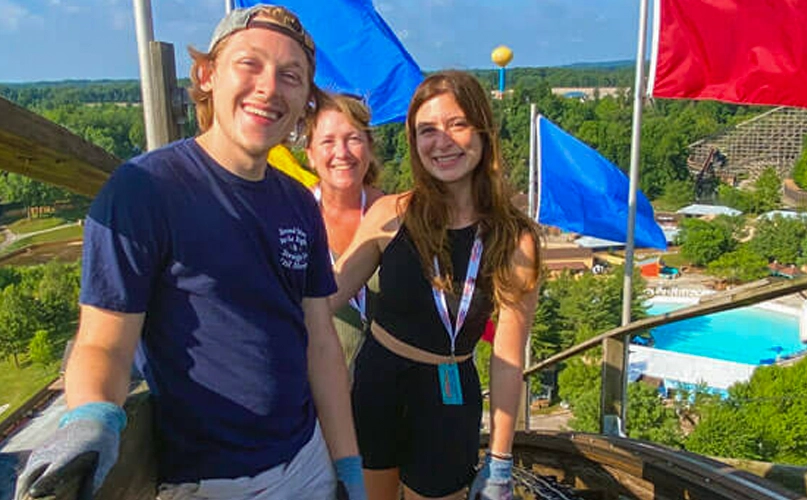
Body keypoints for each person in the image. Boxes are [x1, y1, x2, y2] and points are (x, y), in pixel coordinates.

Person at [16, 5, 365, 500]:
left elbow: (320, 339)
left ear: (305, 99)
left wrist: (347, 465)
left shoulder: (297, 203)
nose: (269, 87)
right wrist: (92, 417)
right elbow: (103, 342)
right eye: (250, 64)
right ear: (206, 75)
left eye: (291, 76)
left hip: (307, 461)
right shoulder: (145, 190)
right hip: (209, 482)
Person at [331, 71, 541, 500]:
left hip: (449, 398)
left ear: (482, 132)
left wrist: (500, 460)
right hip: (376, 384)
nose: (441, 141)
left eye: (457, 125)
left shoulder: (513, 237)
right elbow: (327, 295)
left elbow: (506, 356)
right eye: (427, 130)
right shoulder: (390, 214)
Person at [304, 92, 386, 374]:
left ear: (369, 148)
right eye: (327, 141)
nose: (342, 152)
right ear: (310, 156)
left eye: (353, 139)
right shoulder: (290, 218)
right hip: (314, 387)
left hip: (390, 389)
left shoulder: (398, 216)